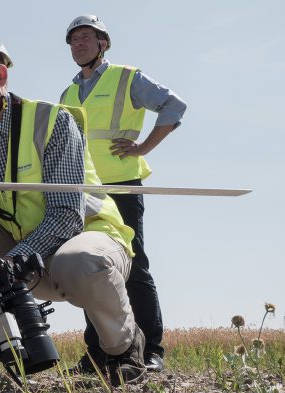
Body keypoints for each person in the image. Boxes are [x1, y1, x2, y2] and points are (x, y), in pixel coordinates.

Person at [0, 25, 145, 386]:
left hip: (83, 241)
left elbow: (67, 216)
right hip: (16, 256)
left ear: (0, 75)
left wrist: (9, 264)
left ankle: (122, 349)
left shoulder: (51, 122)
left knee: (80, 262)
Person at [60, 15, 187, 373]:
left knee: (134, 267)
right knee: (88, 267)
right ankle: (99, 354)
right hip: (85, 191)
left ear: (103, 43)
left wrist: (144, 146)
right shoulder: (67, 94)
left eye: (86, 37)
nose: (79, 44)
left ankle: (151, 351)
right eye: (73, 40)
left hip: (121, 185)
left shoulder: (127, 77)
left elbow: (174, 106)